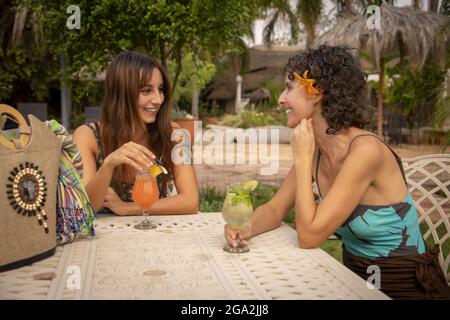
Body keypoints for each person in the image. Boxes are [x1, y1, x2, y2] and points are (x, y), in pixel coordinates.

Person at [224, 45, 450, 300]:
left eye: (288, 88)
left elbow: (309, 237)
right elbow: (276, 209)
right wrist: (245, 228)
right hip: (350, 282)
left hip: (404, 287)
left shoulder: (365, 151)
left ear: (317, 91)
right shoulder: (318, 151)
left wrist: (303, 160)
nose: (280, 99)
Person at [73, 51, 199, 216]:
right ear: (121, 93)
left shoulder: (175, 134)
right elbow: (84, 208)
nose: (158, 99)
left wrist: (127, 208)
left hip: (154, 234)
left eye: (160, 90)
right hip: (102, 238)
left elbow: (190, 201)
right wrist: (108, 165)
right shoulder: (87, 136)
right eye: (146, 91)